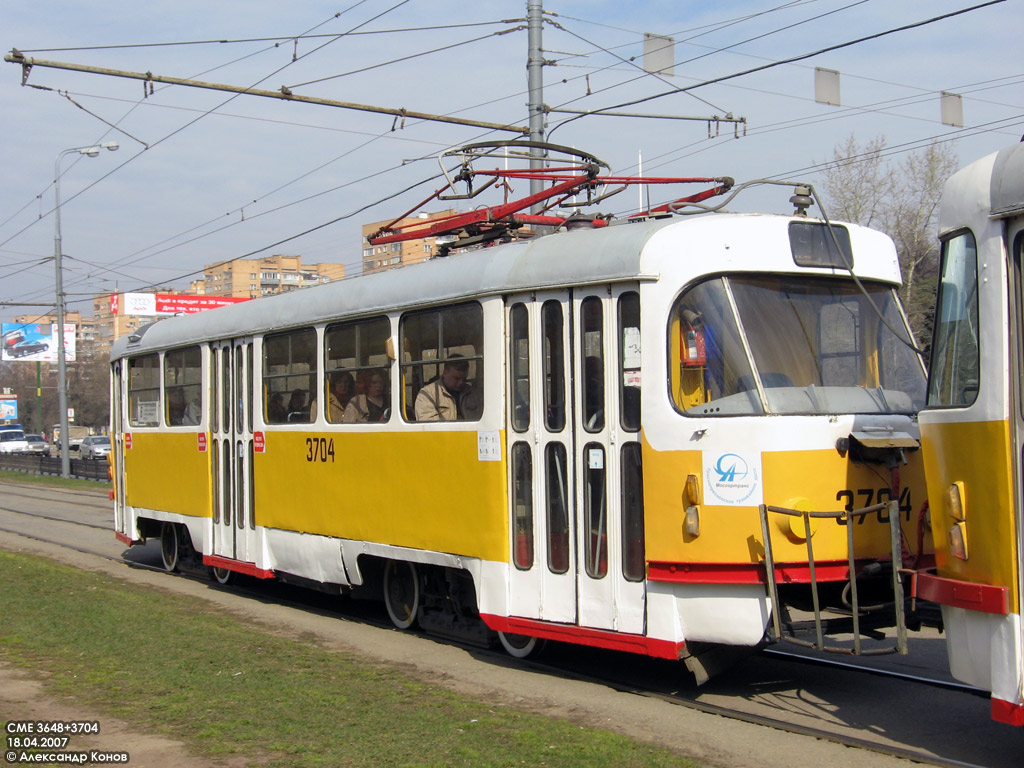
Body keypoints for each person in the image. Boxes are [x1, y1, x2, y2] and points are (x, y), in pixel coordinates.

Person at [414, 357, 476, 421]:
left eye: (464, 379)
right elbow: (429, 424)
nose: (461, 382)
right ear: (445, 373)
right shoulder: (427, 394)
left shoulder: (473, 393)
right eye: (456, 378)